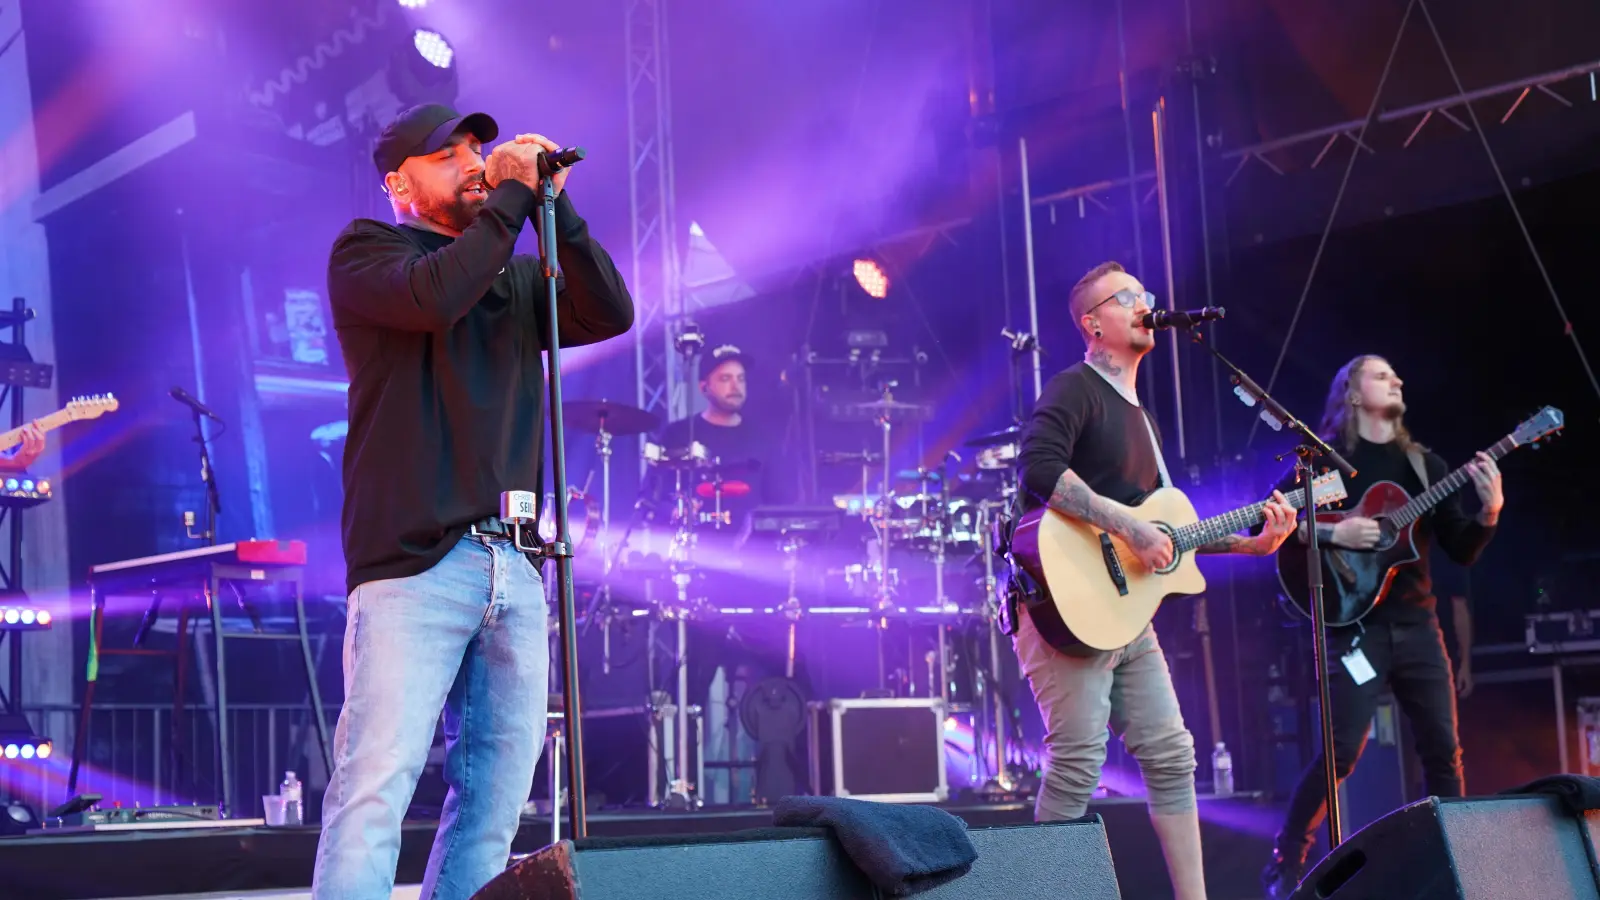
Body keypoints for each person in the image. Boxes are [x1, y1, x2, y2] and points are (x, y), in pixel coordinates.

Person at [312, 103, 633, 900]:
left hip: (514, 563)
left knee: (494, 805)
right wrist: (511, 202)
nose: (473, 160)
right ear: (399, 182)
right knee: (374, 791)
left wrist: (555, 204)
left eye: (479, 149)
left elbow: (611, 311)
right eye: (448, 152)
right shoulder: (367, 251)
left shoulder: (516, 277)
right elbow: (433, 299)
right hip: (413, 564)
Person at [1014, 261, 1297, 900]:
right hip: (1063, 606)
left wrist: (1251, 544)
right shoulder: (1074, 388)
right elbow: (1038, 471)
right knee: (1078, 763)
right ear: (1093, 324)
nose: (1147, 303)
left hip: (1124, 615)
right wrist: (1128, 527)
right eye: (1129, 297)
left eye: (1146, 293)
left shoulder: (1142, 417)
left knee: (1172, 756)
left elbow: (1164, 534)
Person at [1260, 354, 1501, 898]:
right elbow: (1272, 521)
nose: (1397, 378)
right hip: (1351, 628)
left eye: (1398, 373)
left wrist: (1488, 516)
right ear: (1350, 393)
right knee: (1342, 752)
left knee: (1442, 748)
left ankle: (1453, 861)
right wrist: (1334, 535)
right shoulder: (1326, 465)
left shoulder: (1427, 469)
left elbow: (1461, 551)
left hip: (1417, 624)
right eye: (1381, 374)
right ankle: (1288, 857)